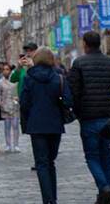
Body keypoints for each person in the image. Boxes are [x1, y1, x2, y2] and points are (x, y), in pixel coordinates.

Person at [69, 31, 110, 204]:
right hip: (109, 118)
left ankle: (104, 188)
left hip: (89, 118)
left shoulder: (79, 63)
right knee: (107, 157)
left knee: (91, 156)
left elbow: (74, 91)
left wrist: (77, 112)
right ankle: (105, 194)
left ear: (85, 44)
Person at [21, 47, 73, 204]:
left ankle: (48, 199)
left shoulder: (29, 78)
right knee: (50, 162)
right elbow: (68, 101)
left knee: (42, 163)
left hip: (36, 125)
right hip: (55, 124)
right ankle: (53, 197)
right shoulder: (59, 78)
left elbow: (24, 103)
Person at [0, 63, 20, 152]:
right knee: (7, 127)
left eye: (7, 69)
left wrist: (18, 98)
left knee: (15, 126)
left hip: (15, 106)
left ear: (10, 71)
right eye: (4, 70)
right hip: (5, 106)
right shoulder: (0, 82)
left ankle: (16, 144)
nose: (6, 71)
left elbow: (18, 91)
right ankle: (8, 145)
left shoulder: (15, 81)